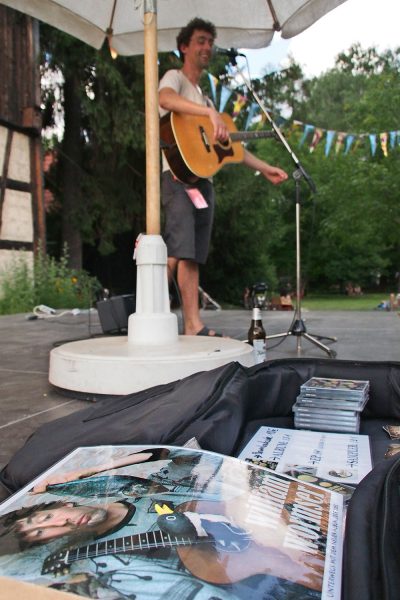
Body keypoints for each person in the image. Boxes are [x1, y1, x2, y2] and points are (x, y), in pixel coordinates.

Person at [159, 18, 288, 337]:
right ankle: (151, 314)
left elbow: (231, 150)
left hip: (202, 181)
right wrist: (208, 113)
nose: (207, 47)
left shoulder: (204, 97)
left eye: (210, 42)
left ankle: (193, 325)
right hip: (177, 176)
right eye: (200, 41)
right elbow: (163, 100)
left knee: (192, 253)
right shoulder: (175, 77)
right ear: (184, 46)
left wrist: (263, 167)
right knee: (178, 247)